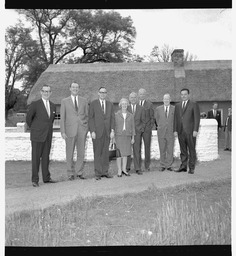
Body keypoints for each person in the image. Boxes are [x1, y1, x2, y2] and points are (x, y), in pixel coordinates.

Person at [26, 85, 56, 187]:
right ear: (41, 92)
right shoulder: (35, 104)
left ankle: (46, 178)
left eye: (48, 91)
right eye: (44, 91)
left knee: (46, 157)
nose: (46, 93)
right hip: (37, 136)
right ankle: (35, 180)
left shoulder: (53, 105)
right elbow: (28, 119)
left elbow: (50, 121)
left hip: (48, 136)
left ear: (51, 93)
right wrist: (35, 129)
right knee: (35, 158)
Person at [60, 82, 89, 180]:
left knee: (81, 153)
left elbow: (87, 115)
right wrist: (63, 131)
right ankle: (70, 173)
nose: (75, 89)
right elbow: (62, 118)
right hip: (69, 130)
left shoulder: (84, 100)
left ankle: (79, 172)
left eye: (77, 87)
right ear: (70, 88)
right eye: (73, 87)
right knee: (69, 153)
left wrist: (86, 127)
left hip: (82, 130)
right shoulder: (64, 101)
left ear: (79, 89)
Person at [88, 86, 115, 180]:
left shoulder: (110, 104)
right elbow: (90, 118)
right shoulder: (93, 104)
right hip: (97, 132)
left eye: (104, 92)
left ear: (106, 94)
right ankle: (98, 173)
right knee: (97, 153)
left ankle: (105, 172)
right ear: (98, 93)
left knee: (105, 153)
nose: (103, 94)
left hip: (107, 132)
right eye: (101, 92)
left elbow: (112, 118)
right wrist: (92, 131)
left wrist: (112, 130)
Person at [173, 88, 200, 174]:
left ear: (188, 95)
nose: (183, 96)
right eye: (182, 94)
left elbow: (197, 118)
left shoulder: (194, 104)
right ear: (180, 95)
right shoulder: (177, 106)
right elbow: (175, 119)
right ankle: (183, 166)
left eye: (185, 94)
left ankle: (191, 167)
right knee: (183, 150)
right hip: (181, 131)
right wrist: (175, 130)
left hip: (190, 131)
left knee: (192, 150)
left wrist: (195, 130)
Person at [114, 98, 135, 177]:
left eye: (125, 104)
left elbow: (133, 127)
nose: (124, 105)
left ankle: (124, 169)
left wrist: (133, 137)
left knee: (126, 153)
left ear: (127, 105)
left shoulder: (131, 115)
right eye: (123, 104)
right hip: (119, 136)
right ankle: (119, 170)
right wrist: (113, 138)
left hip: (127, 136)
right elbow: (114, 126)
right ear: (120, 105)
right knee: (119, 154)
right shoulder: (116, 114)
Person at [155, 93, 175, 172]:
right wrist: (160, 126)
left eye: (168, 99)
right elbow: (157, 119)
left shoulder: (174, 108)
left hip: (171, 132)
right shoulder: (158, 109)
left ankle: (169, 165)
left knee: (170, 149)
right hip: (161, 132)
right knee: (162, 149)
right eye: (165, 99)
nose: (166, 100)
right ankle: (162, 165)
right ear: (163, 100)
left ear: (170, 100)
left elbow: (176, 120)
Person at [126, 92, 145, 175]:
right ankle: (127, 167)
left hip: (137, 133)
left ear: (136, 99)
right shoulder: (126, 107)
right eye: (131, 97)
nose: (133, 99)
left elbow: (144, 121)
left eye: (134, 97)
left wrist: (141, 129)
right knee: (127, 150)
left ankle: (137, 168)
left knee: (137, 150)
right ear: (129, 99)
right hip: (127, 133)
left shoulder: (141, 108)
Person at [138, 88, 155, 172]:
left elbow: (152, 117)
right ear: (138, 95)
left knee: (147, 147)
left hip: (147, 130)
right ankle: (138, 166)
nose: (142, 95)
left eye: (143, 94)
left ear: (145, 94)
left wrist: (150, 127)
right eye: (140, 94)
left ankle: (147, 165)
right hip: (138, 129)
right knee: (138, 148)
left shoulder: (149, 104)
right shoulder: (135, 103)